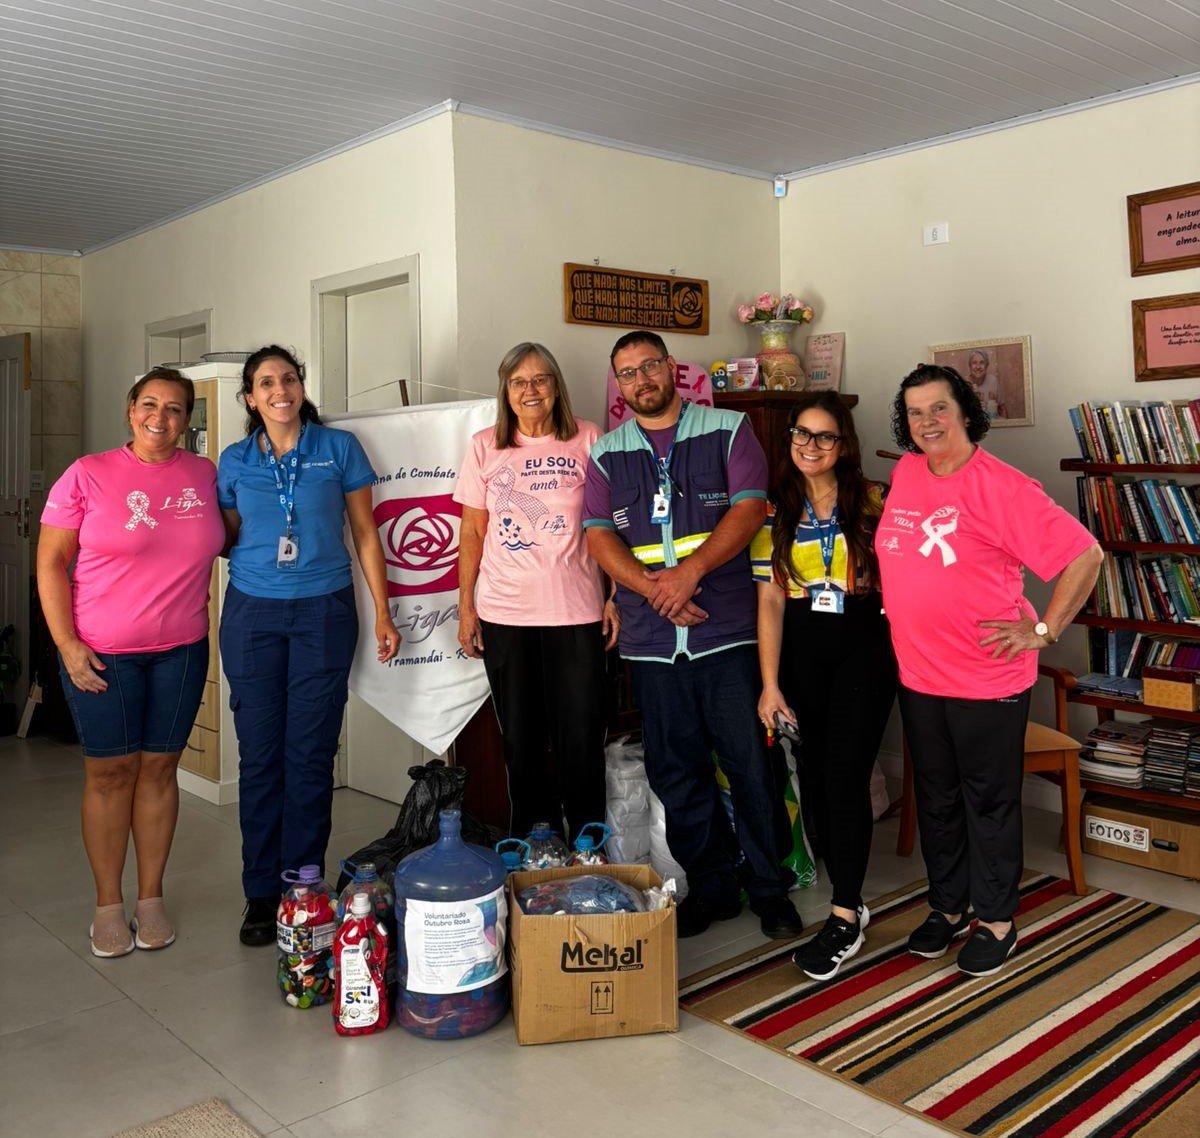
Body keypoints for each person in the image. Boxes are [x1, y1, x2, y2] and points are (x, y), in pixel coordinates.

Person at [875, 364, 1101, 977]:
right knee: (939, 797)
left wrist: (1043, 631)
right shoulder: (907, 470)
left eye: (939, 408)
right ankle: (948, 908)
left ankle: (997, 920)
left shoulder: (1002, 486)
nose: (927, 422)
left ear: (966, 411)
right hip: (920, 674)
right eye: (916, 412)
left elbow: (1085, 554)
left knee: (989, 802)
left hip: (985, 678)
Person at [583, 330, 803, 940]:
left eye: (649, 366)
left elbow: (750, 508)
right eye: (627, 374)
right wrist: (658, 590)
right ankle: (712, 887)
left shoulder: (728, 431)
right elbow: (599, 535)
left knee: (748, 768)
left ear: (671, 370)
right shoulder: (607, 453)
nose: (640, 380)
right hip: (653, 641)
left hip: (726, 632)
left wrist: (690, 574)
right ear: (620, 385)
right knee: (676, 772)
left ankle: (769, 888)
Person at [218, 345, 401, 946]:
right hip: (252, 616)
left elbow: (366, 535)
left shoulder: (337, 449)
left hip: (324, 612)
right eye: (266, 382)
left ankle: (302, 883)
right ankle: (259, 893)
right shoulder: (235, 460)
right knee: (262, 756)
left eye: (289, 378)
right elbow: (225, 536)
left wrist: (384, 613)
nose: (279, 390)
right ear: (250, 397)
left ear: (302, 387)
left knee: (311, 753)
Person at [37, 367, 225, 957]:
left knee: (160, 772)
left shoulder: (204, 474)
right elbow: (50, 565)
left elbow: (225, 538)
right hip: (102, 653)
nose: (161, 418)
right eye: (150, 404)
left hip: (182, 649)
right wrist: (66, 645)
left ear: (188, 418)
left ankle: (150, 898)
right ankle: (108, 906)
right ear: (130, 409)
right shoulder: (87, 475)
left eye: (175, 409)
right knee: (110, 775)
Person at [753, 392, 897, 979]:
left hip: (865, 643)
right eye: (801, 435)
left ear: (845, 444)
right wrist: (769, 685)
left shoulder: (877, 500)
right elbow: (768, 598)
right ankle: (850, 895)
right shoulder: (772, 509)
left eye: (824, 436)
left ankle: (844, 912)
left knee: (845, 776)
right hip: (802, 649)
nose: (811, 447)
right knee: (813, 777)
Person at [454, 342, 617, 840]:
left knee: (581, 737)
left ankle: (589, 841)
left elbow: (610, 525)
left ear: (556, 386)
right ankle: (531, 841)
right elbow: (473, 534)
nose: (531, 390)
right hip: (505, 613)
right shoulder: (485, 445)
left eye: (541, 379)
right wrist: (465, 609)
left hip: (577, 612)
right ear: (505, 391)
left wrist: (616, 597)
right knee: (521, 741)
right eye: (519, 381)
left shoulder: (588, 438)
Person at [966, 349, 1005, 419]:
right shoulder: (964, 383)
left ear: (986, 366)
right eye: (974, 363)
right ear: (970, 366)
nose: (978, 367)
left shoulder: (993, 381)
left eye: (982, 363)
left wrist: (1006, 426)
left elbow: (1002, 408)